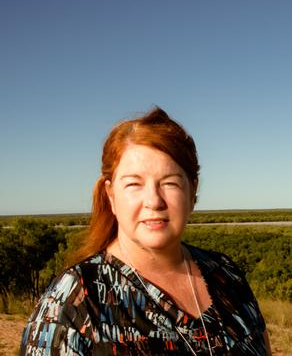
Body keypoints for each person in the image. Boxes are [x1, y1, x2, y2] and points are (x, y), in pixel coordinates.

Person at [20, 107, 271, 355]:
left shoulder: (226, 275)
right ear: (111, 196)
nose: (153, 200)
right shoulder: (75, 300)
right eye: (134, 184)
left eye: (170, 183)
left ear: (192, 192)